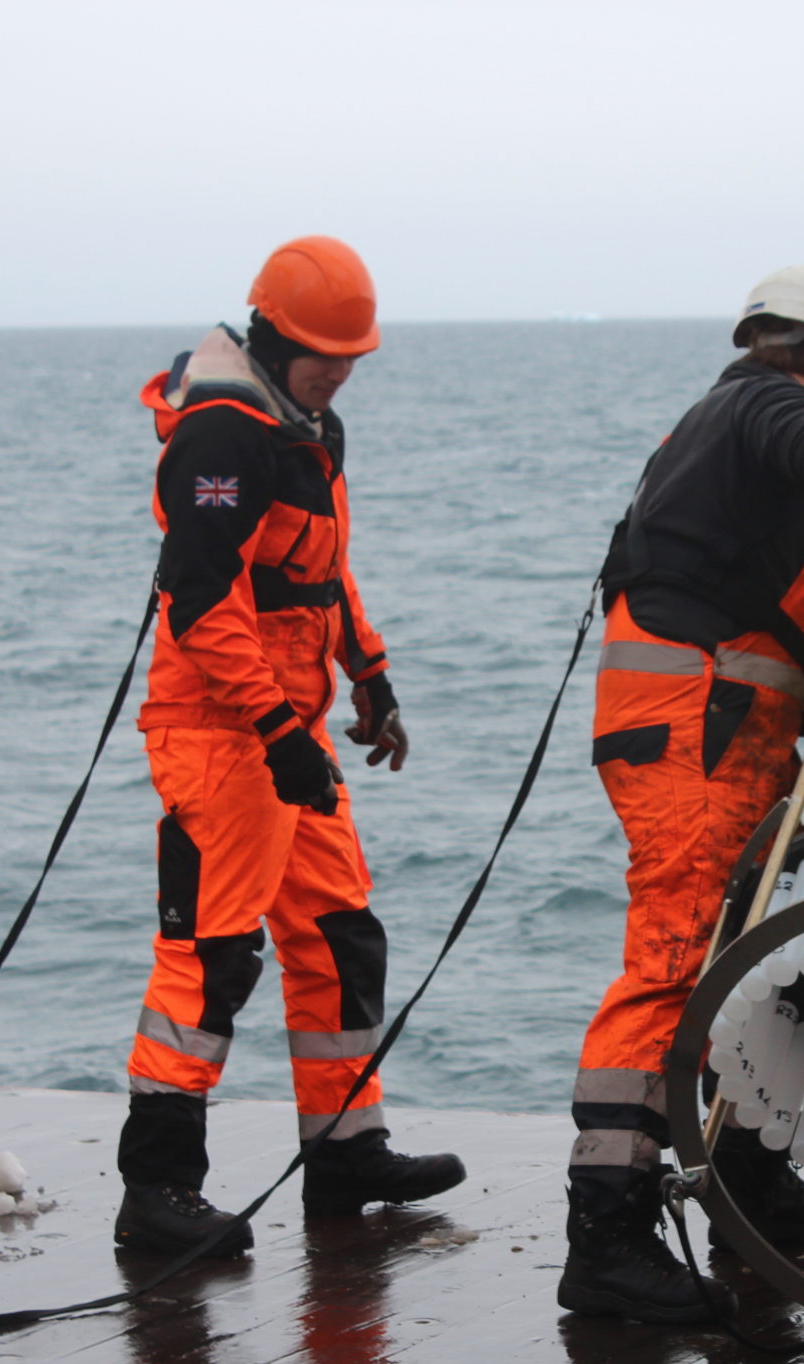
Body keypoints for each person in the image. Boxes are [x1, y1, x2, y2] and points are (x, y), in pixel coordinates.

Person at [561, 265, 804, 1324]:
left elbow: (748, 619)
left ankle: (750, 1186)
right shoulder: (769, 402)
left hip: (720, 733)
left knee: (754, 957)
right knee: (670, 964)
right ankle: (608, 1239)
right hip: (690, 735)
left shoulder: (724, 448)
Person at [113, 235, 464, 1258]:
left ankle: (346, 1149)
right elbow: (199, 598)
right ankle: (159, 1188)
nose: (342, 369)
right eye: (324, 353)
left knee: (339, 934)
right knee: (210, 956)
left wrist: (371, 674)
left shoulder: (309, 428)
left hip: (288, 730)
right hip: (220, 734)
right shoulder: (223, 436)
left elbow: (320, 576)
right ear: (271, 336)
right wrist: (273, 728)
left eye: (353, 355)